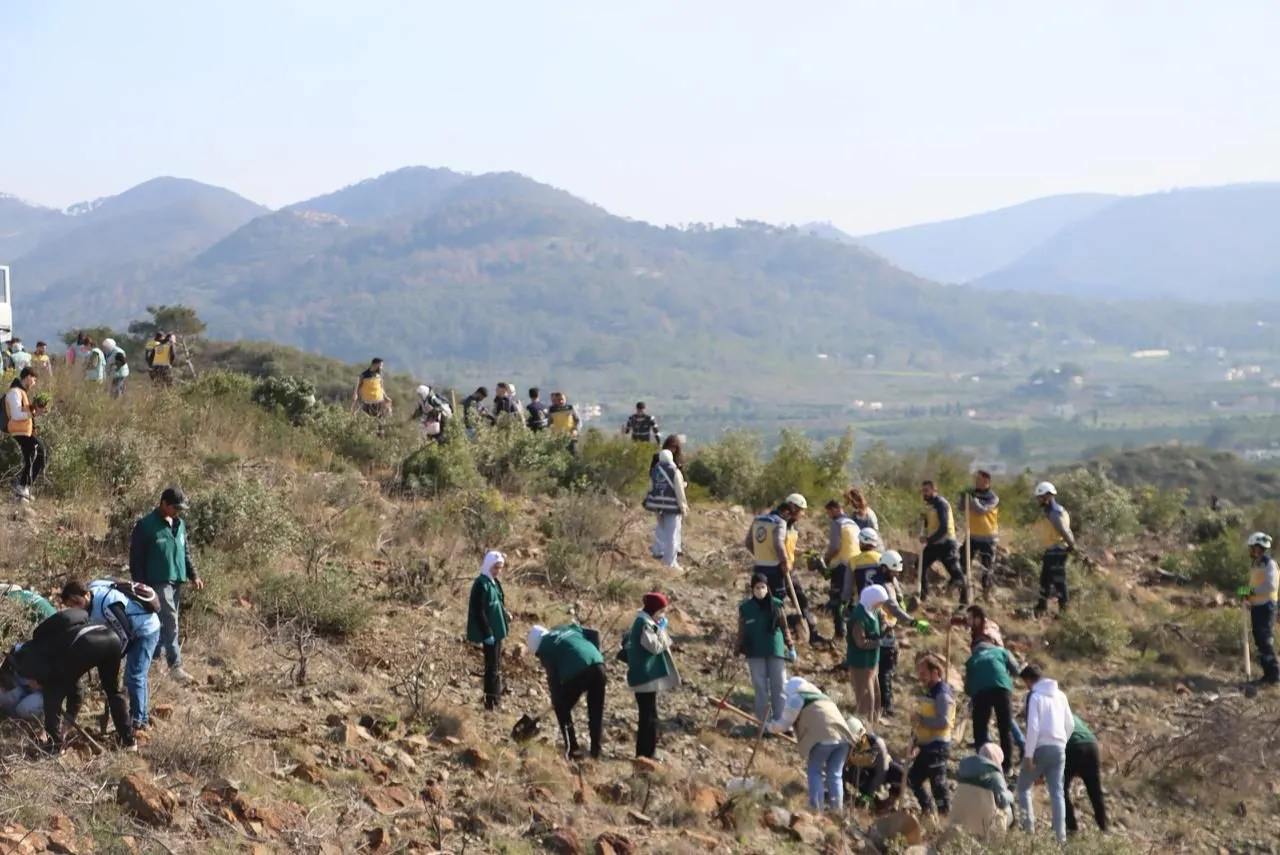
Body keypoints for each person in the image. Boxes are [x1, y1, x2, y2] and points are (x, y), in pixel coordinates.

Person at [14, 608, 134, 753]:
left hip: (86, 643)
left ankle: (55, 747)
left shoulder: (37, 658)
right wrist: (70, 718)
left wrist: (67, 721)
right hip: (112, 637)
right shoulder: (54, 643)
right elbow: (76, 687)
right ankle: (129, 742)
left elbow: (61, 691)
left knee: (52, 694)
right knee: (114, 691)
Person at [64, 579, 162, 733]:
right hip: (130, 631)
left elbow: (125, 635)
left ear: (87, 595)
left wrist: (112, 660)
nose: (75, 608)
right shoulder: (91, 592)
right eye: (70, 606)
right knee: (131, 677)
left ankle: (139, 723)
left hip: (145, 629)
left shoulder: (106, 603)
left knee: (135, 676)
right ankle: (136, 717)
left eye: (76, 603)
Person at [129, 487, 202, 685]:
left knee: (165, 622)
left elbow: (185, 552)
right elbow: (136, 558)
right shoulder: (145, 526)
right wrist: (140, 584)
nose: (177, 512)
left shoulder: (180, 524)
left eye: (180, 508)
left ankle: (155, 660)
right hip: (156, 581)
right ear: (163, 504)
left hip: (177, 579)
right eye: (174, 508)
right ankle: (175, 666)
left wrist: (193, 574)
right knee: (170, 620)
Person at [765, 677, 858, 813]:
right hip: (844, 740)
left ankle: (816, 807)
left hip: (823, 738)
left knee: (815, 771)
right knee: (835, 774)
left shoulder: (797, 698)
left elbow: (783, 725)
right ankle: (837, 810)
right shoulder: (825, 698)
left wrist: (769, 727)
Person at [745, 494, 824, 643]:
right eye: (801, 510)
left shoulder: (763, 521)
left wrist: (764, 556)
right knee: (776, 603)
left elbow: (751, 543)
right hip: (779, 569)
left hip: (770, 568)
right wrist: (781, 560)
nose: (802, 514)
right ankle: (776, 636)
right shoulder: (780, 522)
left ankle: (809, 633)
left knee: (797, 600)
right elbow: (778, 544)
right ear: (792, 508)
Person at [528, 623, 607, 760]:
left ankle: (573, 749)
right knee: (595, 711)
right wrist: (596, 654)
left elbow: (553, 678)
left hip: (580, 672)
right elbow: (594, 633)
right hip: (599, 665)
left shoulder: (545, 647)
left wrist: (557, 700)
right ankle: (596, 751)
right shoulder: (567, 628)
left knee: (562, 710)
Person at [867, 551, 929, 717]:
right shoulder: (880, 585)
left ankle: (878, 703)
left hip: (886, 628)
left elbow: (899, 600)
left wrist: (907, 601)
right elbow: (893, 608)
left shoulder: (889, 579)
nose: (897, 574)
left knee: (885, 668)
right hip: (880, 630)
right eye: (894, 571)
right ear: (885, 568)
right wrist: (913, 622)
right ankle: (885, 705)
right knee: (885, 669)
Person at [1016, 663, 1073, 843]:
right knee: (1057, 792)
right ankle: (1060, 838)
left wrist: (1028, 755)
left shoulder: (1035, 696)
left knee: (1023, 787)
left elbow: (1033, 727)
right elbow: (1070, 724)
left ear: (1028, 681)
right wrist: (1062, 743)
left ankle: (1028, 831)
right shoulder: (1061, 696)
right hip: (1059, 748)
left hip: (1040, 746)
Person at [626, 592, 680, 760]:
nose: (662, 615)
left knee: (651, 717)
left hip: (647, 678)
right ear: (653, 609)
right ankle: (645, 754)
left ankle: (648, 752)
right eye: (661, 611)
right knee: (648, 719)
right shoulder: (644, 624)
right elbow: (655, 647)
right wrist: (662, 631)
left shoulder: (647, 622)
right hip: (645, 677)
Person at [738, 573, 796, 726]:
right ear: (752, 589)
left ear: (767, 587)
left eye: (763, 587)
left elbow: (784, 627)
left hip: (774, 649)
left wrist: (791, 647)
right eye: (757, 587)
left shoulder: (776, 605)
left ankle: (781, 722)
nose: (760, 590)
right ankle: (762, 722)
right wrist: (738, 649)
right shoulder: (746, 608)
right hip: (755, 650)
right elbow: (742, 630)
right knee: (760, 686)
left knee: (780, 685)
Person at [908, 654, 955, 818]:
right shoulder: (927, 692)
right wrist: (914, 740)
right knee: (913, 779)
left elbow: (943, 721)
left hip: (937, 746)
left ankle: (944, 820)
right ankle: (927, 812)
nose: (920, 678)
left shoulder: (942, 693)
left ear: (935, 672)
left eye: (923, 674)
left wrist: (921, 720)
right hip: (924, 745)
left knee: (938, 786)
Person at [964, 640, 1021, 775]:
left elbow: (967, 687)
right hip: (1001, 689)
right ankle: (1007, 767)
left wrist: (973, 692)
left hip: (980, 692)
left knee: (980, 729)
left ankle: (983, 765)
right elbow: (1016, 669)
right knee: (1004, 728)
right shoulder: (1001, 651)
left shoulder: (972, 659)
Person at [466, 551, 509, 711]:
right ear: (489, 565)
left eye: (500, 568)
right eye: (496, 567)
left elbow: (498, 601)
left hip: (498, 631)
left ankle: (496, 700)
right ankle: (490, 701)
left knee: (496, 666)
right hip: (489, 632)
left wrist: (505, 613)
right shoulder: (481, 584)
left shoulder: (494, 582)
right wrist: (487, 633)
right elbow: (479, 611)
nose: (498, 570)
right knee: (491, 667)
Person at [919, 481, 968, 605]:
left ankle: (965, 600)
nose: (924, 493)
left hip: (946, 544)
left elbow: (944, 528)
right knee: (920, 565)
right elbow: (932, 526)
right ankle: (923, 595)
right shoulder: (931, 507)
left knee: (956, 573)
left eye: (927, 490)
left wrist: (929, 540)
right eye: (923, 490)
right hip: (935, 544)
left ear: (934, 490)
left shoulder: (941, 504)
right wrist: (925, 520)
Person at [951, 743, 1013, 840]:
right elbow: (1002, 800)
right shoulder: (994, 775)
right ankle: (1000, 840)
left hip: (960, 817)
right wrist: (1010, 795)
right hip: (984, 821)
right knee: (1008, 807)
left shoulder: (964, 770)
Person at [1240, 532, 1279, 685]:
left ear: (1258, 548)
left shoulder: (1270, 564)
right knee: (1259, 641)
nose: (1250, 550)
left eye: (1252, 548)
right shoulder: (1256, 565)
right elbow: (1254, 586)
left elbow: (1271, 586)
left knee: (1265, 641)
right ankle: (1267, 676)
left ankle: (1275, 676)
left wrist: (1250, 592)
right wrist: (1244, 593)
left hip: (1267, 607)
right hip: (1257, 607)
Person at [846, 584, 887, 727]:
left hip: (871, 663)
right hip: (861, 664)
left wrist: (883, 625)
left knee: (875, 695)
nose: (880, 605)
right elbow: (860, 642)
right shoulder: (859, 617)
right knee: (865, 698)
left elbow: (879, 627)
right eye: (879, 602)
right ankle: (864, 728)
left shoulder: (873, 611)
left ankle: (873, 724)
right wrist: (879, 642)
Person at [1032, 482, 1076, 617]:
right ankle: (1041, 606)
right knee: (1045, 580)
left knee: (1059, 581)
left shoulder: (1054, 513)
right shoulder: (1055, 511)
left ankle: (1064, 612)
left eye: (1040, 497)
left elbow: (1064, 531)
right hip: (1053, 551)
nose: (1038, 500)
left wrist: (1072, 546)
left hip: (1056, 551)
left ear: (1048, 497)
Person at [843, 715, 905, 810]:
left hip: (881, 771)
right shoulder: (846, 745)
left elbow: (880, 774)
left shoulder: (876, 743)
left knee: (901, 774)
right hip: (861, 773)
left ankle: (890, 802)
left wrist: (867, 797)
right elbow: (839, 768)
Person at [6, 367, 49, 502]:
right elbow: (16, 415)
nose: (34, 382)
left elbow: (25, 413)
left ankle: (24, 487)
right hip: (20, 431)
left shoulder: (22, 392)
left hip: (25, 431)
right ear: (28, 377)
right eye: (34, 379)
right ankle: (23, 486)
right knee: (37, 455)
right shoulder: (14, 392)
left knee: (37, 455)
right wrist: (33, 413)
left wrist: (36, 411)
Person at [643, 448, 687, 569]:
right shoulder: (674, 471)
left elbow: (651, 488)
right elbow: (679, 491)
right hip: (672, 508)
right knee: (673, 534)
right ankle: (670, 562)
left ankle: (659, 552)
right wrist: (683, 506)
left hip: (658, 507)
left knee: (662, 531)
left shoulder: (655, 471)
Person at [823, 499, 861, 638]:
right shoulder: (853, 524)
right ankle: (854, 632)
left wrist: (825, 559)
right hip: (856, 564)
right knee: (851, 600)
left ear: (835, 509)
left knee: (836, 599)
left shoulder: (836, 523)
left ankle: (840, 633)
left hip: (841, 565)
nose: (828, 515)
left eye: (829, 512)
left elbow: (835, 546)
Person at [963, 471, 1000, 595]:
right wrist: (964, 497)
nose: (976, 482)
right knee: (962, 562)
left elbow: (980, 510)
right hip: (972, 536)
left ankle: (987, 593)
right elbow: (961, 507)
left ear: (986, 482)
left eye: (978, 480)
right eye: (975, 479)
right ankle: (962, 589)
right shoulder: (973, 494)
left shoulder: (993, 497)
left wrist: (973, 498)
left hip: (988, 537)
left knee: (987, 567)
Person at [851, 528, 884, 596]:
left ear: (862, 541)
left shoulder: (853, 561)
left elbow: (848, 587)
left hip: (862, 604)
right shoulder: (883, 559)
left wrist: (843, 601)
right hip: (881, 603)